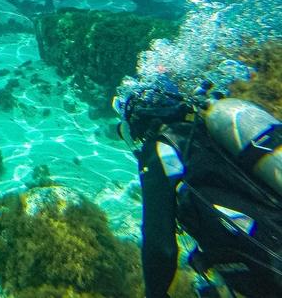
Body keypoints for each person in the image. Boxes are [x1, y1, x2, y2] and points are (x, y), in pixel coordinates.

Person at [115, 77, 282, 297]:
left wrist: (155, 293)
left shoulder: (160, 147)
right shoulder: (205, 133)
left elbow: (159, 243)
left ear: (137, 119)